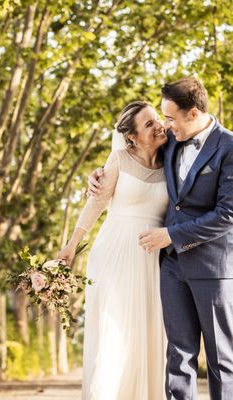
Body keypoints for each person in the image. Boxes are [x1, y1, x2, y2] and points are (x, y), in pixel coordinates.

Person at [90, 78, 233, 400]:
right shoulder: (172, 143)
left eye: (170, 118)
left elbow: (228, 214)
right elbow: (132, 157)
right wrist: (98, 177)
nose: (165, 126)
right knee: (178, 356)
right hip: (172, 267)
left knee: (222, 359)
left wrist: (171, 235)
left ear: (192, 113)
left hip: (217, 267)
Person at [57, 101, 169, 399]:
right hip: (113, 255)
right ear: (132, 137)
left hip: (152, 260)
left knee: (147, 335)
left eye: (157, 118)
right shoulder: (118, 158)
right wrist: (71, 245)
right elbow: (95, 202)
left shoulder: (173, 159)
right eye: (148, 124)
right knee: (111, 333)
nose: (159, 125)